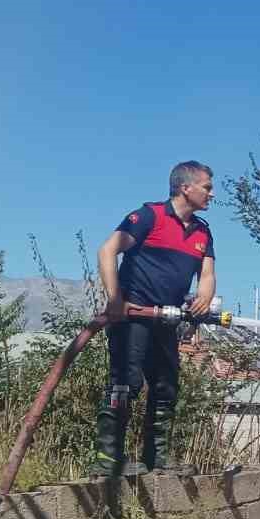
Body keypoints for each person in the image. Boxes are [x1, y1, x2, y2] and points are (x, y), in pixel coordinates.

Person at [89, 160, 218, 478]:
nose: (212, 195)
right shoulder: (149, 216)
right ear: (186, 188)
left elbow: (208, 273)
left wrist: (204, 295)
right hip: (132, 316)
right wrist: (115, 299)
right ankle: (107, 460)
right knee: (125, 383)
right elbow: (107, 251)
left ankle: (157, 458)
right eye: (207, 187)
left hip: (167, 320)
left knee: (166, 386)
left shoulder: (203, 231)